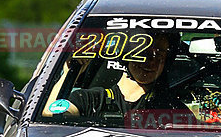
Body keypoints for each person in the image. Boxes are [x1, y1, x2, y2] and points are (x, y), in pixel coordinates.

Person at [44, 30, 194, 128]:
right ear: (125, 53)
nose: (152, 61)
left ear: (166, 61)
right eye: (143, 53)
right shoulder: (91, 99)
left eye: (159, 55)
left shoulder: (174, 111)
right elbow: (51, 116)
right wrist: (69, 73)